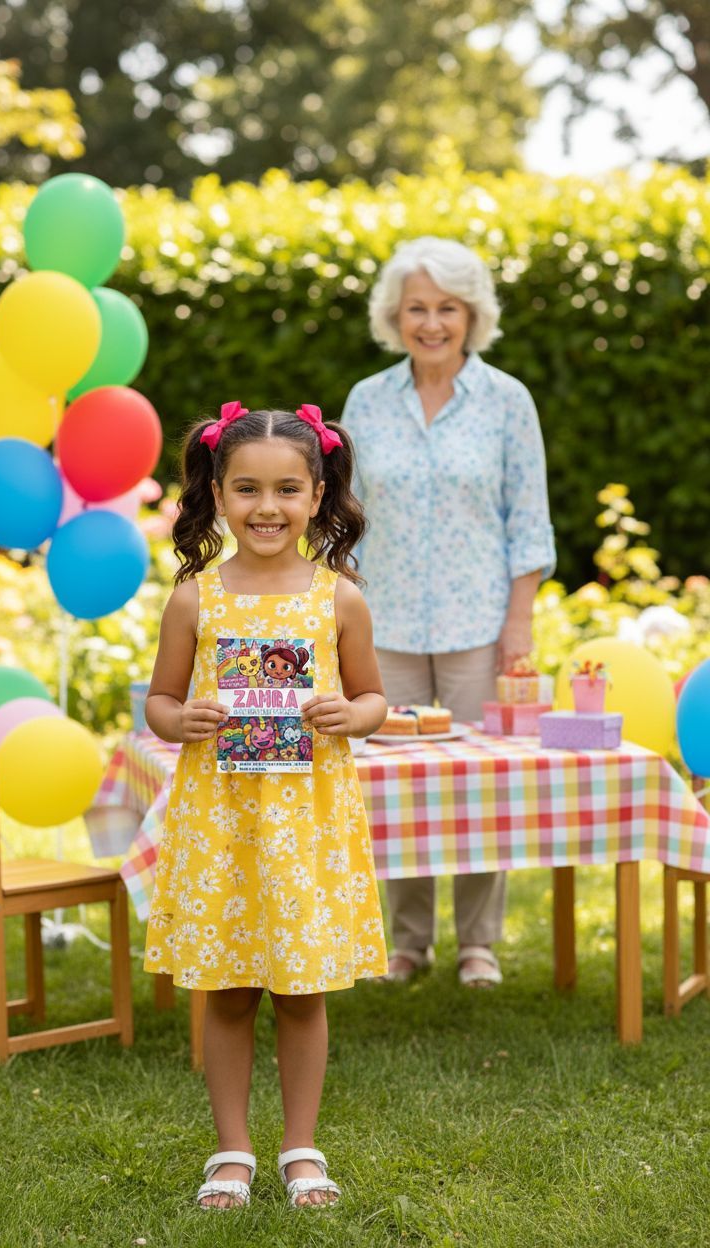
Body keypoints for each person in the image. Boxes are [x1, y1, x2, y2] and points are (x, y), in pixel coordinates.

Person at [143, 401, 388, 1210]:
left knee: (301, 988)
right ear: (216, 492)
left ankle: (301, 1147)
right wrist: (187, 720)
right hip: (224, 826)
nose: (267, 508)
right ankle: (233, 1150)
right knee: (230, 985)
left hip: (306, 823)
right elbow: (161, 704)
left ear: (319, 495)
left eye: (287, 489)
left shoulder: (339, 598)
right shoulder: (195, 600)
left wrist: (349, 716)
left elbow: (374, 699)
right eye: (247, 489)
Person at [342, 236, 555, 989]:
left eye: (447, 309)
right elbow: (348, 514)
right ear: (394, 317)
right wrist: (342, 616)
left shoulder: (507, 402)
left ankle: (479, 944)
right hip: (385, 624)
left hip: (478, 624)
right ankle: (407, 942)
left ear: (472, 316)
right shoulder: (367, 401)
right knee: (394, 785)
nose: (431, 324)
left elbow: (529, 522)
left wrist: (518, 625)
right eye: (417, 309)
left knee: (481, 785)